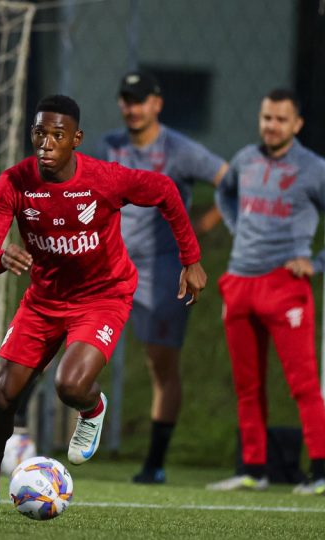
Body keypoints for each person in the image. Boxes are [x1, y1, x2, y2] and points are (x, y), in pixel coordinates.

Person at [0, 94, 207, 513]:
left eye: (58, 135)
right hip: (44, 300)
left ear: (77, 138)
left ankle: (92, 408)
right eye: (40, 133)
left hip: (103, 297)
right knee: (2, 398)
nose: (47, 143)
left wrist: (191, 258)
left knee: (70, 385)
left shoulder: (104, 179)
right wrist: (1, 257)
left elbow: (164, 190)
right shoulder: (15, 183)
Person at [207, 88, 325, 496]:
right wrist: (237, 227)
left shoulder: (313, 169)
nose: (271, 126)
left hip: (284, 284)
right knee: (247, 385)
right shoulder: (245, 159)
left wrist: (320, 261)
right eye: (266, 118)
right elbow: (224, 192)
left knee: (303, 384)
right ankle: (253, 470)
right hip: (239, 282)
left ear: (297, 125)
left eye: (280, 119)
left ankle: (319, 474)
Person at [96, 71, 228, 484]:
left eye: (140, 100)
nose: (132, 108)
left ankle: (154, 463)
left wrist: (201, 226)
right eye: (126, 100)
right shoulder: (109, 146)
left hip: (163, 270)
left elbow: (230, 181)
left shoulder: (179, 149)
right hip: (109, 265)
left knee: (160, 366)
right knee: (71, 341)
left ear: (157, 103)